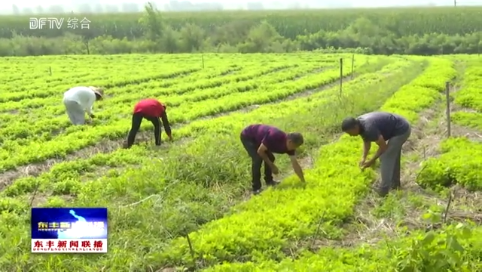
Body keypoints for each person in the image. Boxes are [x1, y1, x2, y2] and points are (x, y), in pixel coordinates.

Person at [341, 111, 412, 197]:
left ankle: (383, 190)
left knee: (385, 157)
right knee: (392, 155)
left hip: (401, 130)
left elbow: (383, 147)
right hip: (397, 127)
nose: (350, 135)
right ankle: (395, 184)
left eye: (350, 133)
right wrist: (363, 157)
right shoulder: (360, 124)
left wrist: (371, 161)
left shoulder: (369, 128)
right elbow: (366, 141)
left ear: (355, 127)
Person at [240, 124, 306, 195]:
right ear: (290, 142)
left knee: (271, 158)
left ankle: (269, 181)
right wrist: (272, 166)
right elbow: (260, 151)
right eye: (295, 146)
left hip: (259, 139)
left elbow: (295, 164)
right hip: (248, 136)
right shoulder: (274, 136)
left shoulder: (290, 147)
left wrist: (303, 181)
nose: (295, 148)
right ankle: (256, 188)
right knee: (257, 159)